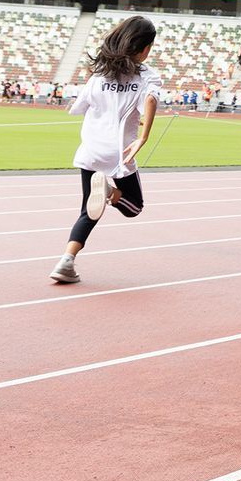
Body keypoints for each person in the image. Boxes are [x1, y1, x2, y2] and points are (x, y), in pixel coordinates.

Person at [48, 15, 161, 285]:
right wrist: (143, 136)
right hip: (119, 151)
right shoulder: (147, 75)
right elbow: (150, 99)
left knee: (88, 210)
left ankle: (66, 261)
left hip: (91, 150)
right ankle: (110, 191)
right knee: (134, 207)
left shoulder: (99, 75)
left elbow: (78, 107)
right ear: (145, 48)